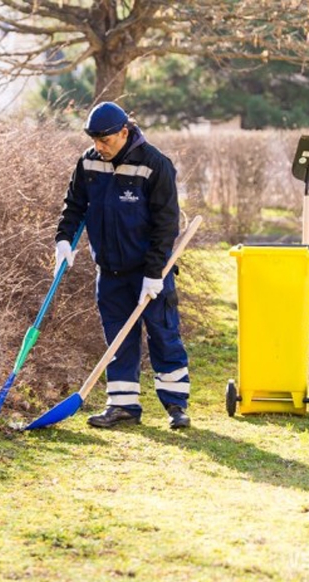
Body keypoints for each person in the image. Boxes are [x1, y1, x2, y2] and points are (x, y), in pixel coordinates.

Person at [54, 101, 191, 429]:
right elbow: (74, 205)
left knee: (162, 334)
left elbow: (166, 225)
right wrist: (63, 239)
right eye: (95, 141)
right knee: (118, 338)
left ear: (124, 132)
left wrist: (155, 273)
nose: (100, 147)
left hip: (148, 274)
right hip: (109, 272)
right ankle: (122, 405)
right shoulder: (88, 164)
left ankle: (176, 406)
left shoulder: (155, 165)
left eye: (106, 141)